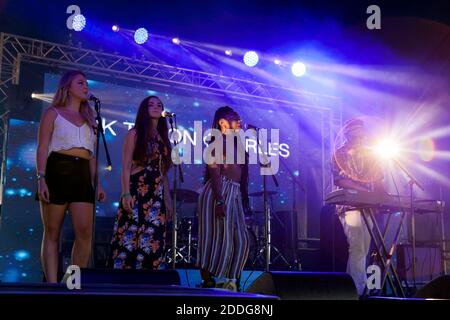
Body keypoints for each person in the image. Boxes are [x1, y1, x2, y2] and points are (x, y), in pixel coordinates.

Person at [36, 70, 106, 283]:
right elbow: (42, 148)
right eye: (81, 83)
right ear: (68, 87)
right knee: (52, 232)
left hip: (82, 173)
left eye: (86, 83)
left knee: (85, 233)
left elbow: (92, 155)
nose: (86, 87)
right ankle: (51, 284)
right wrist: (41, 178)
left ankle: (72, 283)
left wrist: (98, 183)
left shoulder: (90, 118)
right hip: (58, 169)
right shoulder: (53, 113)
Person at [109, 96, 173, 270]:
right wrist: (125, 193)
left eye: (159, 105)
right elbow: (126, 166)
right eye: (151, 104)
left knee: (153, 239)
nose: (156, 107)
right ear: (143, 109)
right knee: (131, 238)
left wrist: (167, 199)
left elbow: (163, 172)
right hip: (138, 190)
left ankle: (150, 284)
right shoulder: (135, 133)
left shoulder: (162, 137)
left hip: (156, 194)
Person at [197, 106, 250, 291]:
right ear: (223, 123)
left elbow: (240, 176)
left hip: (233, 192)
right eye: (235, 118)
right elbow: (215, 174)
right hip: (219, 191)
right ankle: (209, 281)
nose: (240, 122)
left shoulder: (238, 145)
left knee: (241, 240)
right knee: (215, 239)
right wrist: (220, 200)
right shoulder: (217, 143)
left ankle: (230, 281)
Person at [332, 118, 384, 296]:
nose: (359, 140)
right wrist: (364, 190)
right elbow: (340, 180)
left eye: (361, 136)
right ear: (348, 135)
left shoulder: (369, 155)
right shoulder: (339, 154)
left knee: (363, 248)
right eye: (355, 136)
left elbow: (378, 178)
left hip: (367, 205)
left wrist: (378, 198)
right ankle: (358, 291)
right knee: (358, 247)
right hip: (349, 206)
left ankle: (351, 290)